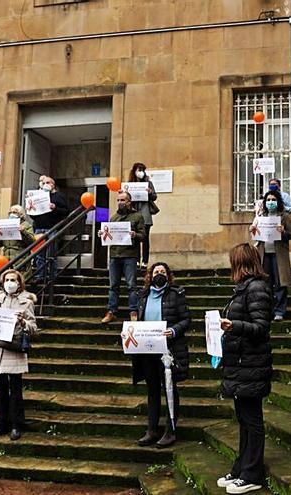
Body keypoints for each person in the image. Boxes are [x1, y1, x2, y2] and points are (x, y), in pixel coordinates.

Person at [215, 243, 273, 495]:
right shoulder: (243, 289)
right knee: (243, 419)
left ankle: (252, 473)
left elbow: (261, 327)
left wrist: (233, 325)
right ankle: (241, 468)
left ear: (240, 263)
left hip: (251, 365)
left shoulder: (257, 287)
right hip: (241, 365)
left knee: (252, 420)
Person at [130, 262, 190, 449]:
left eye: (163, 272)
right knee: (152, 389)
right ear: (150, 275)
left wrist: (173, 331)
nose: (159, 274)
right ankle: (151, 429)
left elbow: (187, 319)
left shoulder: (176, 294)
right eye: (156, 271)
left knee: (170, 389)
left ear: (168, 275)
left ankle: (170, 430)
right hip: (148, 350)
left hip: (169, 349)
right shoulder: (143, 295)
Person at [0, 269, 37, 442]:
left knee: (15, 388)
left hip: (13, 347)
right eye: (7, 280)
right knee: (0, 388)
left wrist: (22, 321)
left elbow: (34, 328)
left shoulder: (26, 302)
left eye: (13, 280)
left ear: (19, 282)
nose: (9, 283)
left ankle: (16, 424)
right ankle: (1, 423)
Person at [100, 191, 145, 324]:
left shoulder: (137, 216)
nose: (120, 202)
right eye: (118, 200)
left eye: (123, 200)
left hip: (130, 255)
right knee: (113, 285)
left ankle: (133, 311)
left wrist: (134, 235)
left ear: (129, 202)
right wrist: (102, 233)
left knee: (131, 285)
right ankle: (111, 311)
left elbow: (143, 236)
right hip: (114, 255)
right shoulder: (113, 218)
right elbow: (110, 235)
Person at [249, 190, 291, 322]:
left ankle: (280, 311)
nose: (270, 202)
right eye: (268, 200)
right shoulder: (260, 217)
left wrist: (283, 231)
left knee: (280, 283)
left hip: (279, 256)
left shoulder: (284, 217)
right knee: (265, 284)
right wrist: (252, 230)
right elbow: (255, 237)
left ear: (278, 201)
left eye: (273, 199)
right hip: (264, 255)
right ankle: (267, 310)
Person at [28, 177, 69, 283]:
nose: (45, 184)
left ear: (53, 185)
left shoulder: (58, 196)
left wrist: (55, 208)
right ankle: (40, 276)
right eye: (44, 182)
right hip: (39, 228)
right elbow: (33, 215)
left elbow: (66, 211)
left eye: (48, 182)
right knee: (40, 255)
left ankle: (52, 276)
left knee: (51, 254)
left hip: (52, 228)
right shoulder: (37, 196)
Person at [0, 204, 35, 278]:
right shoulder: (5, 224)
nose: (12, 214)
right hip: (6, 258)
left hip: (20, 258)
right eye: (10, 212)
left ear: (21, 214)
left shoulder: (26, 225)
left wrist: (23, 231)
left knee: (20, 280)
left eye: (15, 212)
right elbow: (0, 244)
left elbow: (32, 242)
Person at [128, 163, 158, 269]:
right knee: (135, 238)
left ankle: (145, 261)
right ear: (134, 171)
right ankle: (136, 261)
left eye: (142, 170)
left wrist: (150, 192)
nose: (140, 172)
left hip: (145, 214)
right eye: (139, 169)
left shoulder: (148, 183)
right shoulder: (130, 184)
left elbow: (154, 197)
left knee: (145, 239)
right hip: (134, 214)